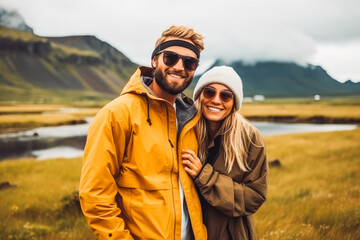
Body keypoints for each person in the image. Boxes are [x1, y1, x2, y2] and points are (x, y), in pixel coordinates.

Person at [79, 25, 207, 240]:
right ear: (154, 60)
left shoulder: (194, 119)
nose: (179, 66)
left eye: (189, 62)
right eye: (170, 58)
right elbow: (95, 195)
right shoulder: (116, 114)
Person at [182, 66, 268, 240]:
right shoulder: (185, 131)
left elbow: (255, 197)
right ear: (199, 95)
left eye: (225, 95)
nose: (216, 100)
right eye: (209, 92)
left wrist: (204, 176)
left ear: (234, 101)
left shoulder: (250, 138)